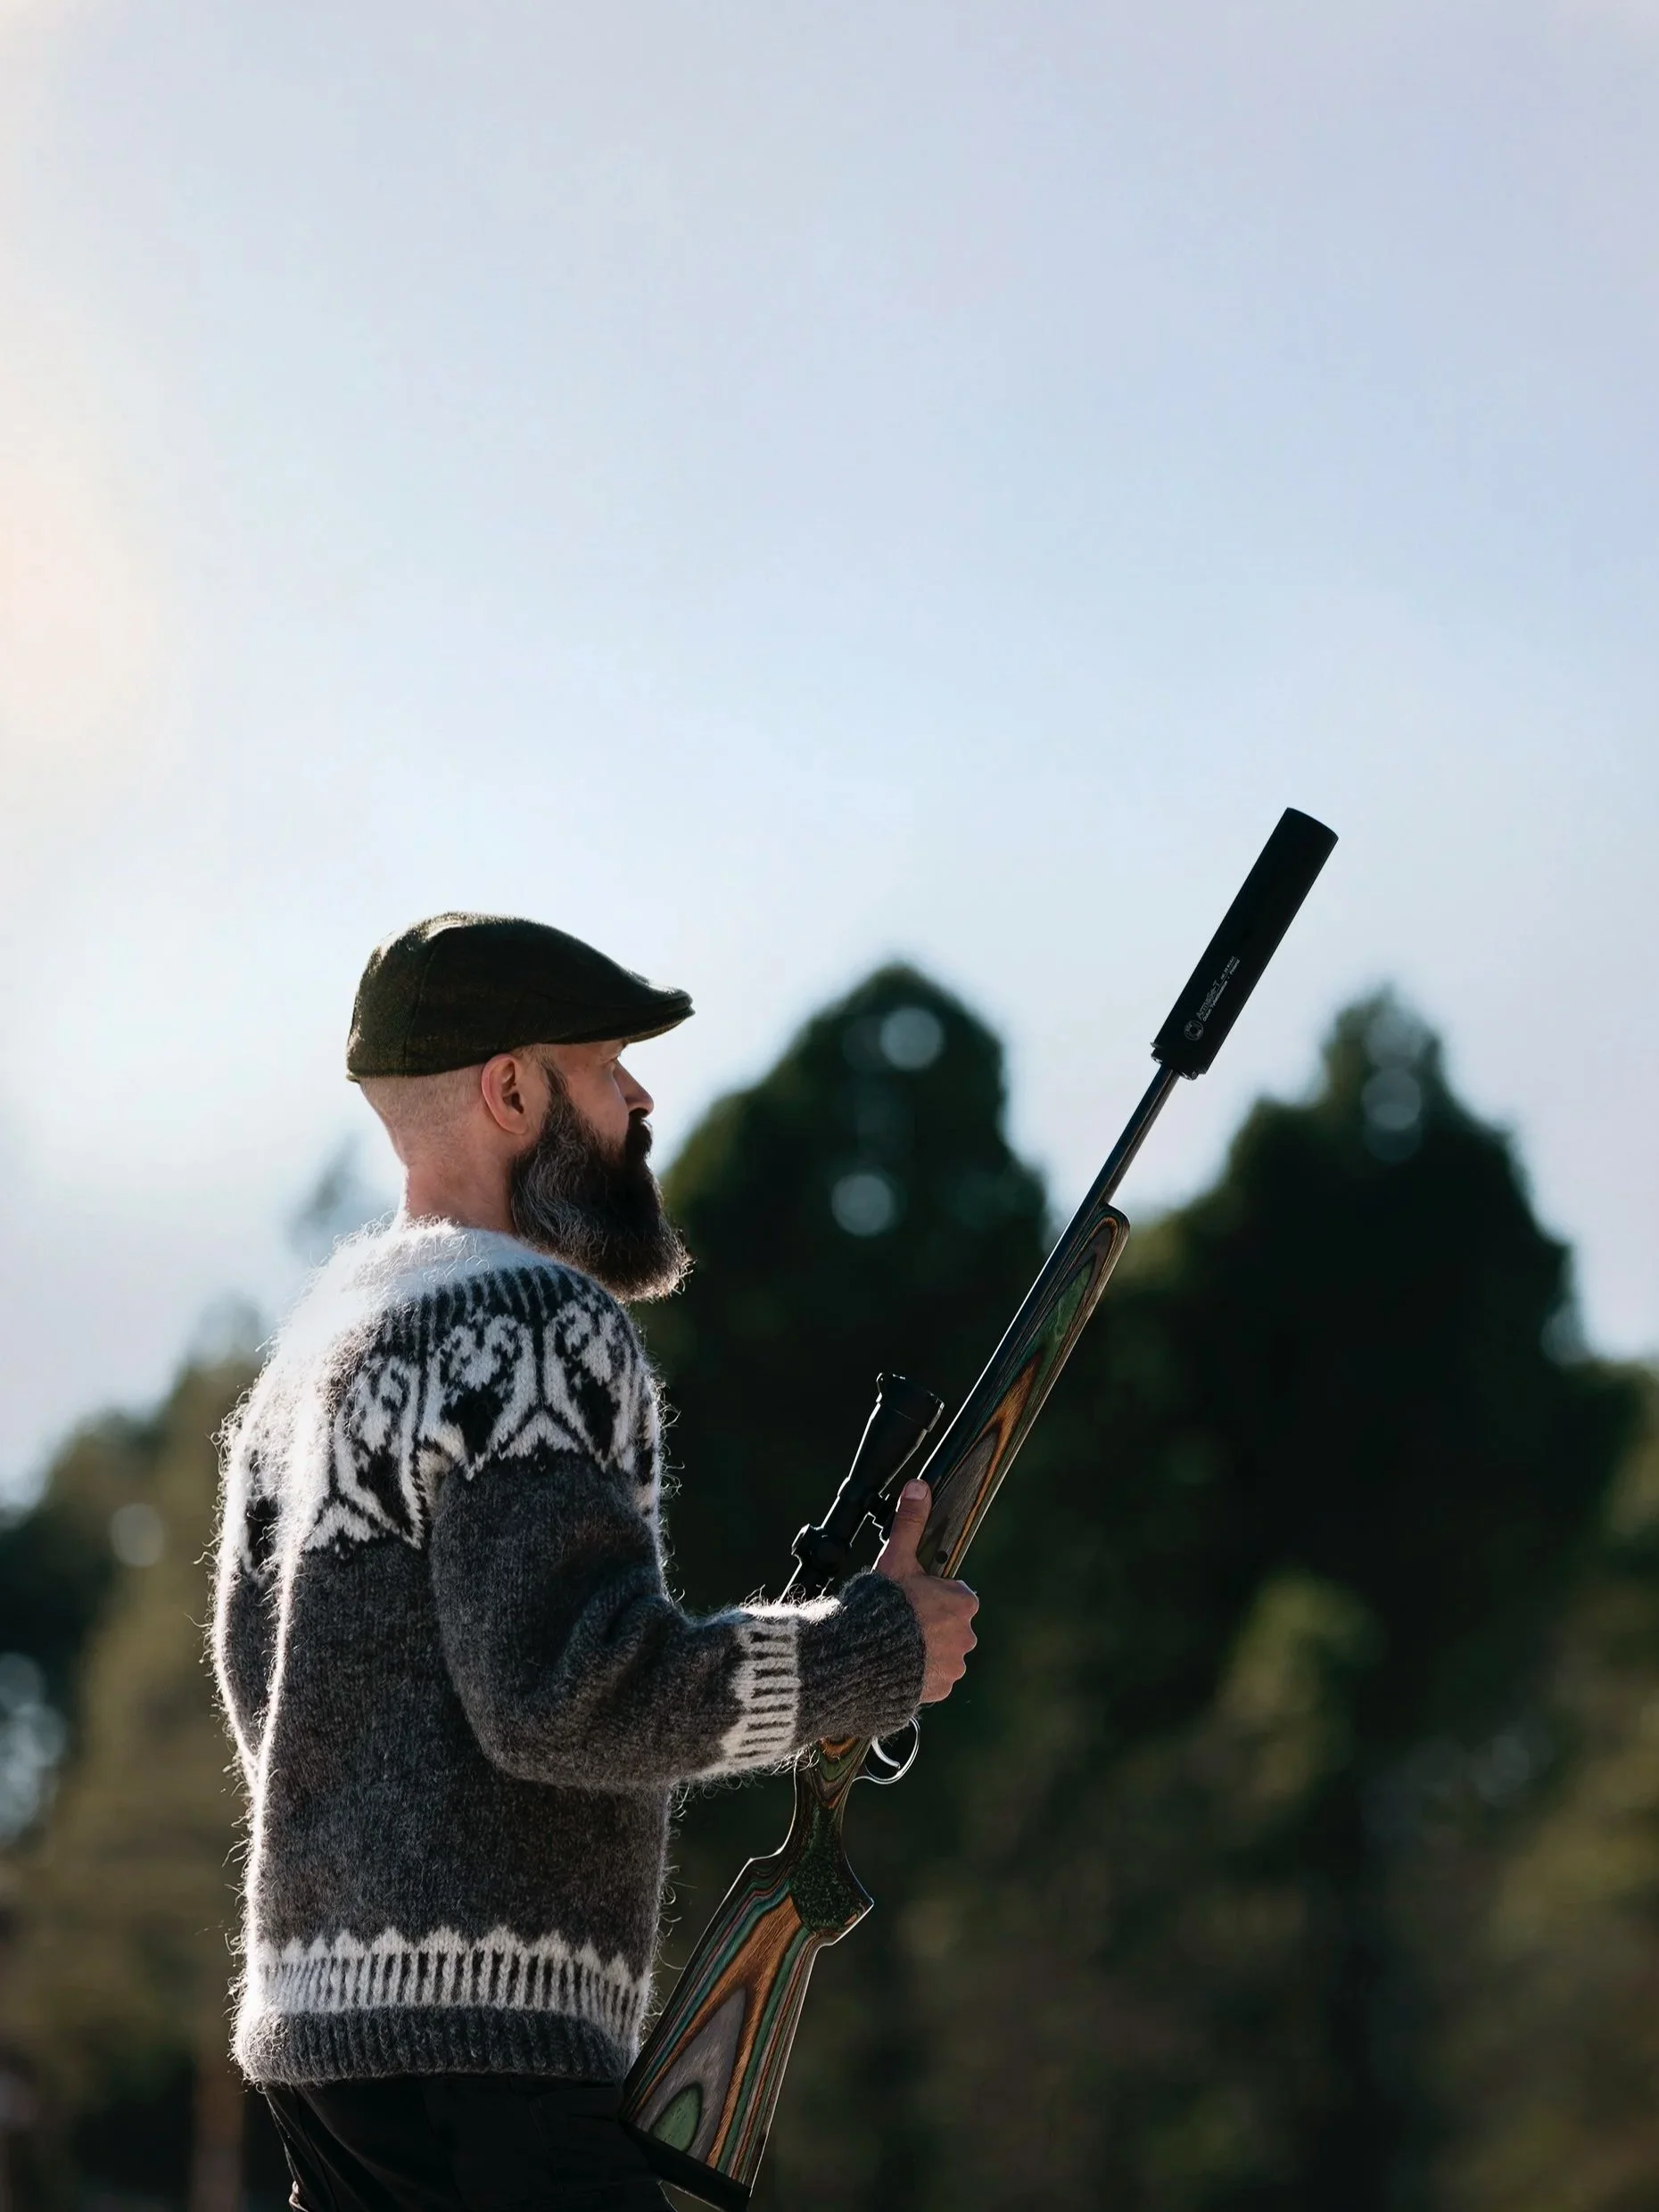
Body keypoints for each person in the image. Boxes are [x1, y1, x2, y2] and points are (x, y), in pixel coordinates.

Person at [212, 912, 979, 2212]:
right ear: (512, 1091)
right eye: (609, 1065)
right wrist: (874, 1653)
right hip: (492, 2062)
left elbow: (265, 1702)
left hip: (325, 2064)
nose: (641, 1100)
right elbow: (572, 1695)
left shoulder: (309, 1361)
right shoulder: (533, 1318)